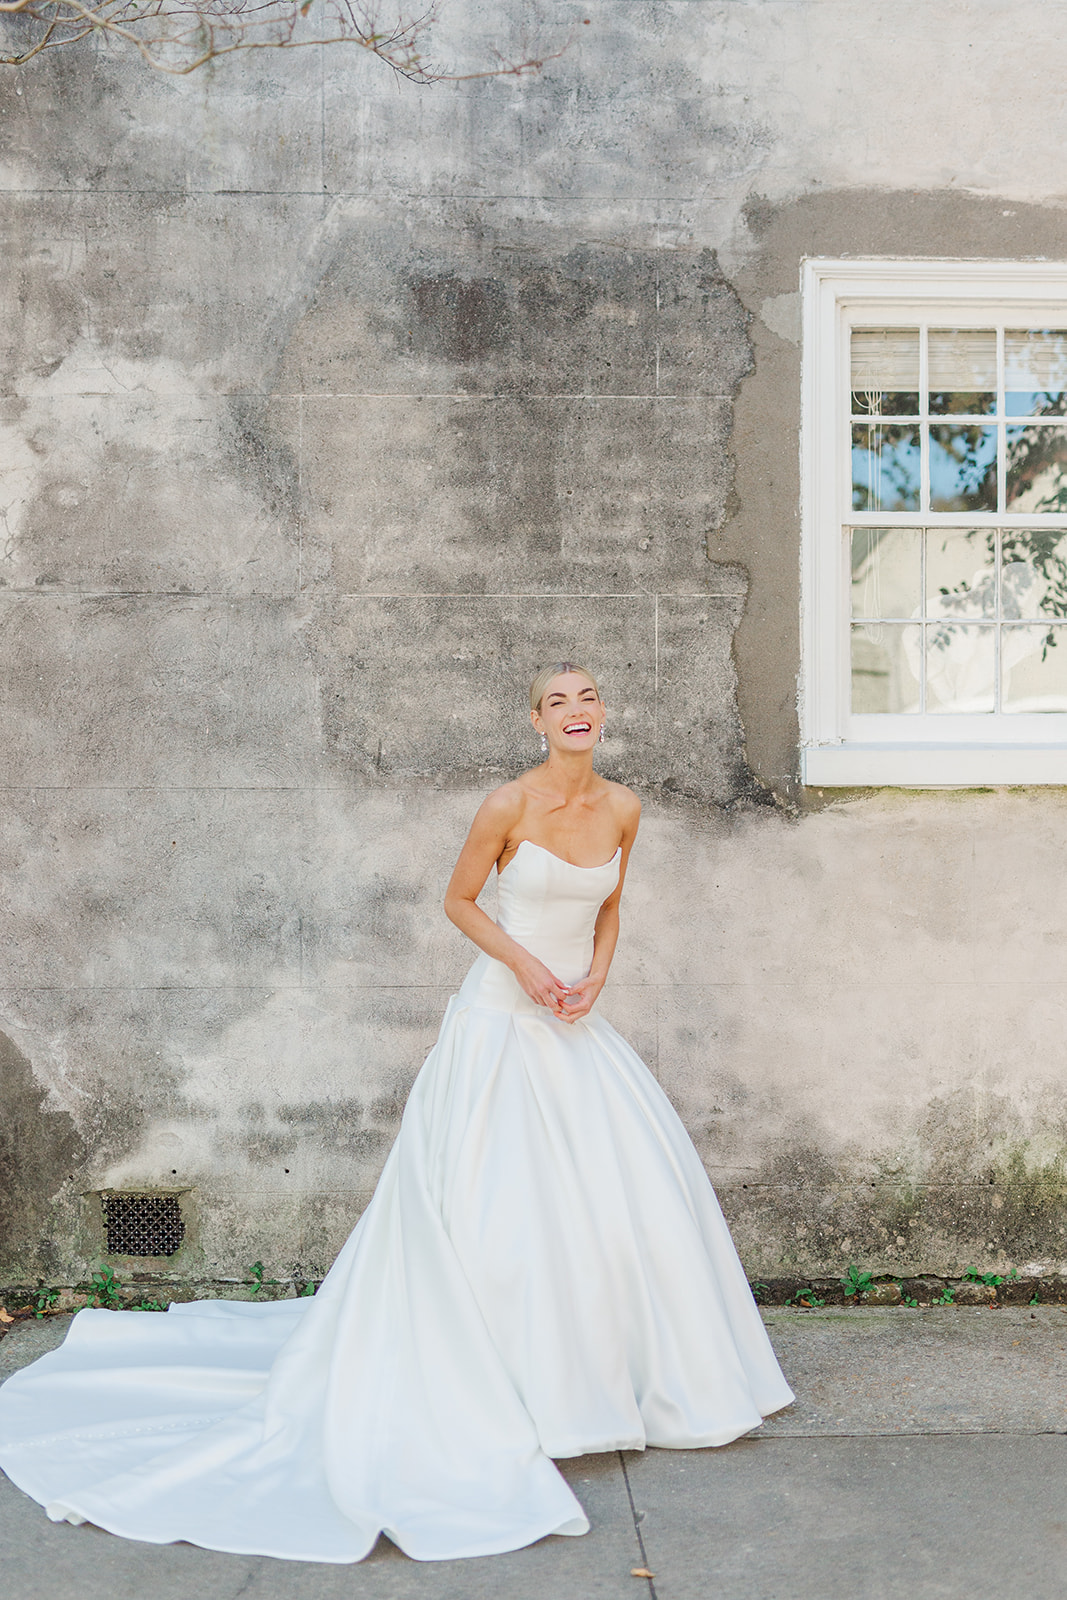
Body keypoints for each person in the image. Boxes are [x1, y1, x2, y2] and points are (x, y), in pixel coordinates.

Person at [0, 662, 793, 1564]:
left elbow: (609, 906)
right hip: (500, 1021)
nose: (575, 711)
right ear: (535, 721)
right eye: (557, 701)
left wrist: (596, 977)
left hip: (575, 1022)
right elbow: (458, 900)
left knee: (616, 1204)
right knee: (497, 1207)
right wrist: (528, 967)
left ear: (603, 715)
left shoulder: (623, 807)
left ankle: (614, 1385)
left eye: (587, 698)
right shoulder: (507, 804)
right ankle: (508, 1385)